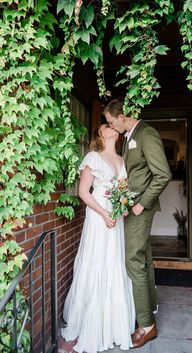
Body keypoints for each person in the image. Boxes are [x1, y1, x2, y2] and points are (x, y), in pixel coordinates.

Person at [61, 124, 135, 353]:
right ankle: (91, 325)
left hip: (117, 217)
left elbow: (124, 189)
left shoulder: (123, 159)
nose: (111, 126)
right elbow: (84, 191)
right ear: (101, 134)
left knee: (114, 262)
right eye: (106, 125)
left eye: (112, 124)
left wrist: (122, 206)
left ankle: (113, 325)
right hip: (98, 216)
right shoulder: (93, 157)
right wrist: (104, 213)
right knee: (97, 261)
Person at [103, 98, 171, 348]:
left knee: (133, 260)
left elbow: (162, 173)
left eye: (111, 121)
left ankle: (146, 326)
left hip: (140, 209)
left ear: (121, 116)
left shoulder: (146, 133)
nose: (111, 126)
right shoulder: (130, 136)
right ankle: (149, 308)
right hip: (132, 208)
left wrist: (141, 203)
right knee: (142, 258)